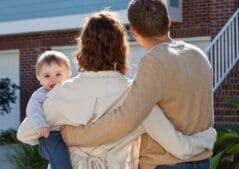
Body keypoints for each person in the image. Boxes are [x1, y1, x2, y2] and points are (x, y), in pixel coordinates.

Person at [17, 11, 216, 169]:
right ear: (122, 48)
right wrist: (208, 137)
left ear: (82, 49)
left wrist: (60, 135)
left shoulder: (60, 95)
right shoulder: (135, 95)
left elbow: (25, 134)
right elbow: (179, 148)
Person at [17, 51, 72, 169]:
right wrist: (41, 125)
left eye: (58, 74)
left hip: (68, 133)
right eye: (47, 76)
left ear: (68, 75)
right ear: (39, 78)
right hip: (50, 135)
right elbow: (33, 110)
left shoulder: (70, 91)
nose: (53, 79)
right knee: (62, 162)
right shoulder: (40, 94)